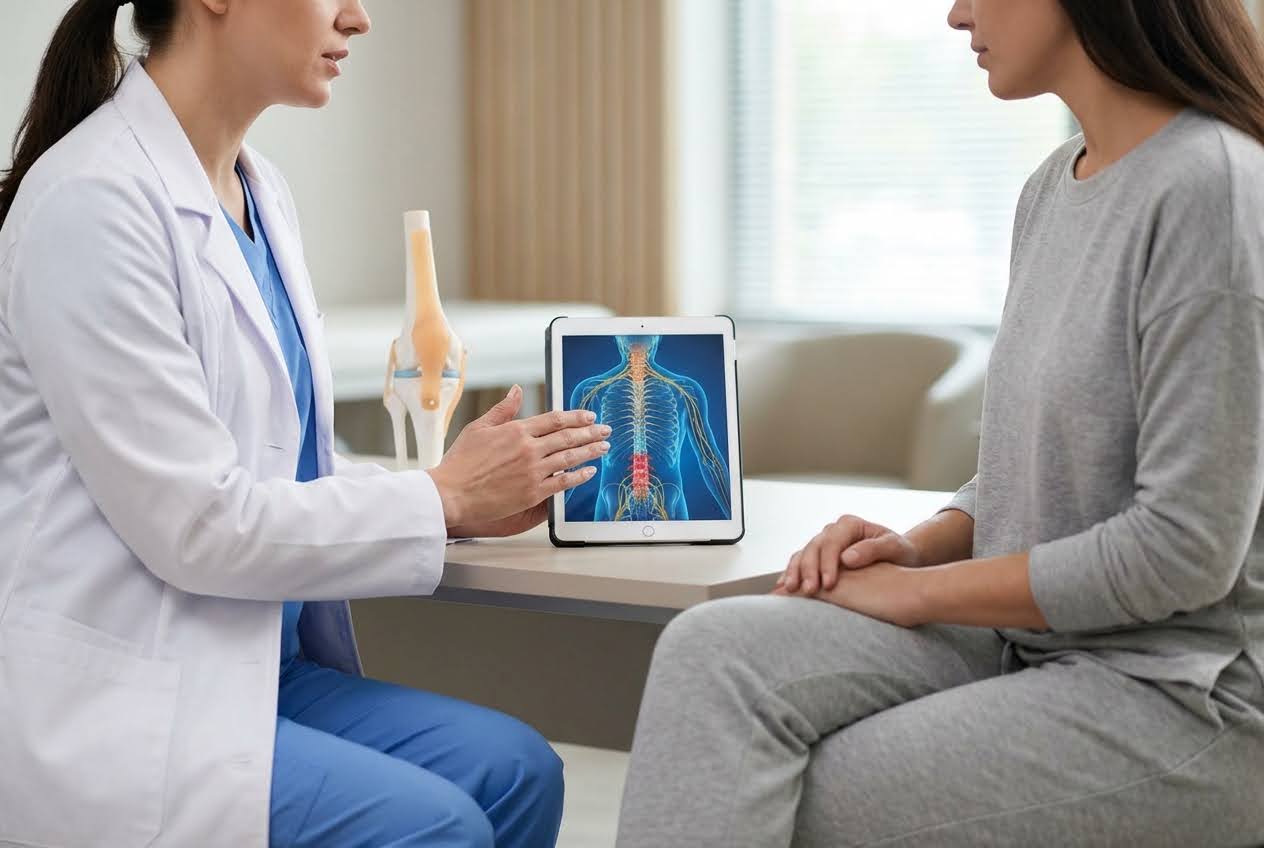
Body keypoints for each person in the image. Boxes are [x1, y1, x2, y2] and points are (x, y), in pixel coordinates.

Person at [616, 0, 1264, 845]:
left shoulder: (1213, 188)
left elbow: (1182, 551)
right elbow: (1032, 464)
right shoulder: (1053, 188)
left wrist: (919, 594)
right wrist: (917, 544)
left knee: (807, 794)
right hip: (1032, 640)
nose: (956, 15)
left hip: (1178, 691)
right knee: (712, 652)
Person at [0, 1, 612, 846]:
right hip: (134, 705)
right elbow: (200, 525)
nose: (357, 18)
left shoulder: (260, 191)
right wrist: (442, 500)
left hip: (259, 671)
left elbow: (284, 470)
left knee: (518, 773)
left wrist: (460, 495)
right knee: (438, 827)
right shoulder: (92, 202)